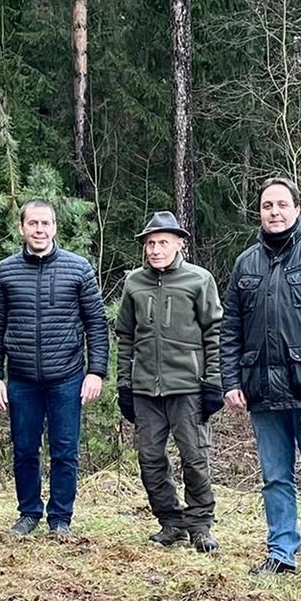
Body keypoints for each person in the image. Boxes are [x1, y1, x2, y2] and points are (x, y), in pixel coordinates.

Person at [222, 178, 301, 578]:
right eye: (267, 205)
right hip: (261, 388)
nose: (274, 212)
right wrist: (230, 379)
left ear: (296, 209)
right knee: (275, 477)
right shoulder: (245, 263)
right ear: (260, 212)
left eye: (282, 204)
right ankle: (281, 551)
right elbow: (231, 327)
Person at [0, 200, 110, 537]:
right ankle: (28, 513)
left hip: (66, 377)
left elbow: (96, 324)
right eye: (33, 224)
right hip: (22, 380)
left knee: (65, 451)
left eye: (46, 224)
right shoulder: (6, 271)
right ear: (22, 227)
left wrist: (96, 371)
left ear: (55, 227)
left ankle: (60, 519)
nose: (39, 230)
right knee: (25, 450)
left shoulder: (78, 268)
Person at [115, 211, 224, 553]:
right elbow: (125, 337)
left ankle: (200, 525)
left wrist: (213, 383)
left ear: (179, 243)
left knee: (195, 457)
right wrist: (124, 385)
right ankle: (170, 522)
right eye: (150, 243)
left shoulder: (199, 280)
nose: (156, 249)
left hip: (189, 387)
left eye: (163, 242)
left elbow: (215, 332)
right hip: (146, 389)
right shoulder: (134, 282)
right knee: (149, 458)